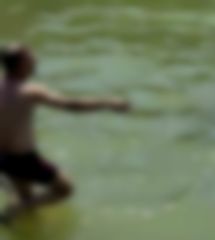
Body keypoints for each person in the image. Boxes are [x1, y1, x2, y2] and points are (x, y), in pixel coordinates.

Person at [0, 43, 129, 223]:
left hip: (3, 157)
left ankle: (22, 220)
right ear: (21, 64)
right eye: (31, 58)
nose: (35, 60)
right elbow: (71, 105)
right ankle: (19, 207)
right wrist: (108, 103)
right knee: (66, 189)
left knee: (25, 195)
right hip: (23, 158)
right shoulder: (30, 91)